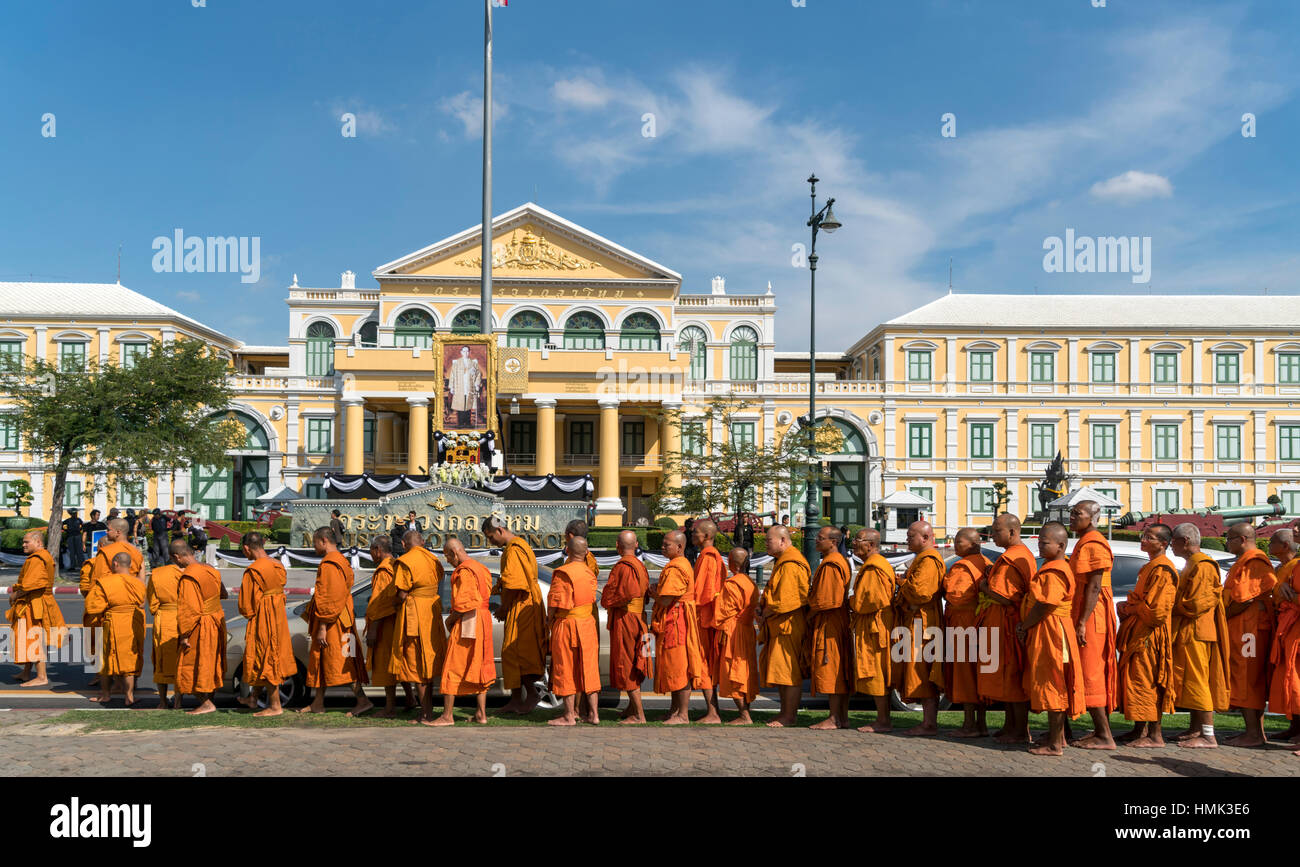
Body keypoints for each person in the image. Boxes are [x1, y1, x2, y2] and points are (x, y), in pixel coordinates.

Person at [1018, 522, 1086, 757]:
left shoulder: (1056, 570)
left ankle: (1056, 744)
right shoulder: (1052, 566)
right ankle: (1057, 738)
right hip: (1049, 629)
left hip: (1052, 631)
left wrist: (1025, 625)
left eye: (1045, 542)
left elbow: (1046, 603)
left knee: (1053, 684)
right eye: (1039, 541)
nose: (1040, 545)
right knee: (1050, 683)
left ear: (1061, 546)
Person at [1113, 523, 1177, 748]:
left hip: (1150, 635)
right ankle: (1139, 730)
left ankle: (1155, 735)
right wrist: (1133, 606)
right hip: (1138, 632)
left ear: (1163, 544)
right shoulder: (1150, 567)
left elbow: (1157, 612)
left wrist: (1131, 607)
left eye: (1149, 537)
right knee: (1137, 680)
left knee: (1149, 681)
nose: (1143, 540)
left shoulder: (1163, 570)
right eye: (1143, 536)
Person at [1168, 522, 1230, 749]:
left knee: (1199, 681)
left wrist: (1171, 606)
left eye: (1172, 542)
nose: (1170, 546)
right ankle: (1195, 728)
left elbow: (1196, 603)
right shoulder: (1192, 564)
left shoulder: (1203, 565)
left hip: (1197, 631)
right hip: (1190, 631)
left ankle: (1208, 735)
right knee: (1191, 681)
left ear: (1184, 542)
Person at [298, 527, 372, 717]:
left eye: (314, 542)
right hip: (341, 618)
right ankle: (318, 703)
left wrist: (322, 626)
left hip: (334, 623)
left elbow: (329, 597)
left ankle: (363, 701)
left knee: (343, 662)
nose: (313, 546)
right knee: (323, 660)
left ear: (323, 541)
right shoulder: (341, 561)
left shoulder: (330, 564)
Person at [976, 512, 1035, 744]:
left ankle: (1020, 730)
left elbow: (1006, 597)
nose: (992, 535)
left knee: (1012, 677)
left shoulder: (1015, 556)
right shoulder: (1012, 555)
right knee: (1005, 678)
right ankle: (1010, 725)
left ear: (1012, 532)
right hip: (1002, 623)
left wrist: (983, 586)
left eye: (997, 530)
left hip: (1009, 623)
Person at [1068, 500, 1118, 749]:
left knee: (1091, 672)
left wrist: (1082, 622)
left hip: (1092, 614)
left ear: (1093, 517)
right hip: (1083, 611)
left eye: (1077, 513)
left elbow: (1095, 586)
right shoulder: (1084, 541)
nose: (1072, 517)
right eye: (1071, 513)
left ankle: (1105, 735)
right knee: (1087, 670)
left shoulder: (1095, 542)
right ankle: (1100, 731)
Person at [483, 516, 546, 713]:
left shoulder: (515, 549)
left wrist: (504, 607)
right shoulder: (517, 547)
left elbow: (514, 584)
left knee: (519, 653)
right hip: (522, 603)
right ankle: (516, 700)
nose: (490, 542)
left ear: (500, 530)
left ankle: (531, 695)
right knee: (511, 653)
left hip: (522, 604)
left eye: (491, 537)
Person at [1222, 522, 1277, 747]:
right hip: (1244, 628)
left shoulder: (1254, 561)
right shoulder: (1245, 561)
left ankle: (1253, 734)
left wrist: (1224, 613)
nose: (1227, 542)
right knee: (1246, 677)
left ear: (1242, 539)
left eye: (1230, 538)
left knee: (1248, 679)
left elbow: (1244, 598)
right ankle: (1255, 732)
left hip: (1250, 630)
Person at [80, 517, 143, 699]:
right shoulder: (136, 553)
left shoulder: (106, 553)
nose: (106, 532)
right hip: (132, 607)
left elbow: (96, 584)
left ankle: (108, 691)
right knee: (131, 651)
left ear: (117, 532)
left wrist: (95, 607)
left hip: (110, 607)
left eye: (108, 530)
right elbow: (141, 581)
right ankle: (128, 689)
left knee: (107, 651)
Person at [434, 538, 495, 725]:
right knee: (479, 664)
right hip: (483, 620)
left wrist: (450, 620)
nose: (448, 561)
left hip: (469, 620)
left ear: (454, 552)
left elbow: (464, 603)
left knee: (453, 664)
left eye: (447, 556)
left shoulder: (465, 571)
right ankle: (481, 714)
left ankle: (447, 716)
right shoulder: (480, 568)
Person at [650, 530, 708, 724]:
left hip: (677, 620)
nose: (663, 547)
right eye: (663, 544)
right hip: (675, 618)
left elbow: (666, 600)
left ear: (680, 547)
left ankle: (683, 714)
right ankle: (674, 711)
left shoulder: (677, 567)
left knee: (680, 666)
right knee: (673, 665)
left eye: (667, 545)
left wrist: (652, 593)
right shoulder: (677, 564)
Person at [893, 520, 945, 736]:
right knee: (918, 670)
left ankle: (929, 723)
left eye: (911, 535)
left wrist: (902, 583)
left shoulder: (930, 561)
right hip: (916, 620)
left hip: (924, 624)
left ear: (925, 538)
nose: (907, 539)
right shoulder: (921, 560)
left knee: (923, 671)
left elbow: (921, 594)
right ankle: (927, 722)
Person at [236, 532, 295, 717]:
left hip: (263, 617)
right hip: (278, 616)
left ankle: (276, 706)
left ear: (247, 548)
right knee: (268, 655)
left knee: (266, 657)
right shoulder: (277, 565)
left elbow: (246, 606)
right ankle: (253, 698)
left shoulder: (254, 571)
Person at [756, 524, 810, 728]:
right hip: (779, 622)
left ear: (783, 541)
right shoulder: (783, 561)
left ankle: (789, 716)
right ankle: (783, 713)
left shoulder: (791, 563)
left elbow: (786, 601)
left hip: (788, 623)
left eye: (769, 540)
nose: (766, 544)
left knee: (788, 672)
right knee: (781, 671)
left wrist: (766, 613)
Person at [391, 529, 446, 725]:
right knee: (427, 664)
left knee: (417, 667)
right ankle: (427, 710)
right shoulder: (433, 559)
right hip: (431, 614)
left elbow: (403, 593)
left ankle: (426, 713)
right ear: (422, 542)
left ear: (404, 545)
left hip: (414, 616)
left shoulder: (406, 561)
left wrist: (394, 603)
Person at [546, 536, 601, 726]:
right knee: (590, 668)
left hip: (567, 623)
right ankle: (594, 714)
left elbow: (554, 601)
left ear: (567, 551)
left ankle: (569, 715)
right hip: (587, 624)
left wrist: (549, 620)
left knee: (565, 668)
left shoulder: (562, 572)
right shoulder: (590, 572)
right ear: (586, 552)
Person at [600, 529, 651, 724]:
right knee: (638, 658)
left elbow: (619, 596)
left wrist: (606, 600)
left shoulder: (622, 567)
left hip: (626, 620)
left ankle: (639, 715)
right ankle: (632, 708)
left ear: (617, 546)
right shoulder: (640, 565)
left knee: (627, 662)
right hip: (640, 618)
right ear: (636, 545)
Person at [944, 527, 991, 738]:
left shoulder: (964, 566)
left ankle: (970, 725)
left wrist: (942, 582)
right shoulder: (987, 563)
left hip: (964, 623)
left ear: (972, 544)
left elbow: (956, 595)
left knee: (965, 675)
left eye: (958, 542)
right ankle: (980, 724)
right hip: (981, 622)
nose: (955, 546)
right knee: (977, 674)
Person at [850, 528, 897, 733]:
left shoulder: (874, 567)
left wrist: (851, 601)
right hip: (873, 624)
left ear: (870, 545)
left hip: (875, 626)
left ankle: (883, 720)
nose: (853, 543)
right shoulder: (873, 565)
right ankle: (882, 719)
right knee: (876, 671)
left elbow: (871, 600)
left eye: (857, 540)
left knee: (877, 671)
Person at [808, 526, 854, 730]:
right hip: (836, 620)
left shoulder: (831, 564)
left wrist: (809, 606)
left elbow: (828, 600)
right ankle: (841, 717)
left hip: (830, 622)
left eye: (820, 538)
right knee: (838, 669)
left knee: (832, 668)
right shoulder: (836, 562)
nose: (816, 541)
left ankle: (834, 718)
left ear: (833, 542)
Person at [6, 531, 67, 687]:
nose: (23, 545)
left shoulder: (38, 558)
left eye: (27, 542)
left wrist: (15, 595)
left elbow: (31, 584)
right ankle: (26, 672)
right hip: (37, 601)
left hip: (35, 603)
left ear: (38, 542)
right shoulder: (42, 556)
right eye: (23, 542)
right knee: (30, 637)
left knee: (34, 639)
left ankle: (41, 676)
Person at [174, 538, 226, 716]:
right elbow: (223, 593)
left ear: (178, 557)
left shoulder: (189, 576)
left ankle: (205, 703)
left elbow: (189, 610)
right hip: (216, 621)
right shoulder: (210, 569)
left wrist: (184, 634)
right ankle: (210, 699)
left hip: (200, 624)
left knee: (189, 664)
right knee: (210, 662)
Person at [364, 535, 414, 718]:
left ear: (377, 549)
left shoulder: (384, 570)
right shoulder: (395, 565)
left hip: (385, 624)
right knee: (397, 663)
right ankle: (410, 698)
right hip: (395, 621)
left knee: (387, 664)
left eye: (371, 550)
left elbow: (380, 603)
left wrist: (373, 629)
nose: (371, 554)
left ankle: (390, 707)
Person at [715, 547, 760, 725]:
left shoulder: (732, 584)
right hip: (748, 630)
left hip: (734, 631)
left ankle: (744, 715)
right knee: (745, 670)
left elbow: (722, 612)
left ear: (731, 564)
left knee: (734, 671)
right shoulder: (751, 583)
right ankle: (745, 711)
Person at [691, 518, 726, 725]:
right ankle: (713, 710)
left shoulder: (708, 556)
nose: (693, 535)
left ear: (706, 536)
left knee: (704, 663)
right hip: (709, 615)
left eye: (696, 532)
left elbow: (701, 591)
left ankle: (713, 713)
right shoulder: (712, 556)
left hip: (704, 617)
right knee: (707, 664)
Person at [1268, 529, 1300, 744]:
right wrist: (1281, 587)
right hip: (1288, 626)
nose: (1295, 529)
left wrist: (1290, 597)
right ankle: (1295, 726)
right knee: (1290, 678)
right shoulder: (1292, 566)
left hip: (1295, 624)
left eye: (1298, 525)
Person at [145, 543, 183, 708]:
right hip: (185, 619)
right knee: (181, 661)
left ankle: (162, 701)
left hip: (164, 619)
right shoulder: (191, 572)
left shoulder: (158, 574)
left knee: (161, 661)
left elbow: (152, 604)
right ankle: (178, 702)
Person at [448, 344, 483, 427]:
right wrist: (451, 386)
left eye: (467, 351)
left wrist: (477, 383)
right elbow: (452, 375)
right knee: (460, 405)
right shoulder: (456, 363)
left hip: (469, 386)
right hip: (459, 386)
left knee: (468, 404)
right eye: (464, 351)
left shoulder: (473, 363)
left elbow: (478, 374)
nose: (465, 353)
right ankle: (460, 423)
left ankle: (467, 423)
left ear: (469, 352)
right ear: (461, 352)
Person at [63, 509, 85, 573]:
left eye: (76, 513)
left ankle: (81, 565)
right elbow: (62, 524)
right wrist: (66, 530)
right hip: (70, 536)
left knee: (79, 551)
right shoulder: (68, 520)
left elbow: (83, 525)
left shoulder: (79, 520)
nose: (75, 514)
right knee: (71, 552)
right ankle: (72, 566)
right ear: (71, 514)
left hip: (77, 536)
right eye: (74, 513)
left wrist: (79, 530)